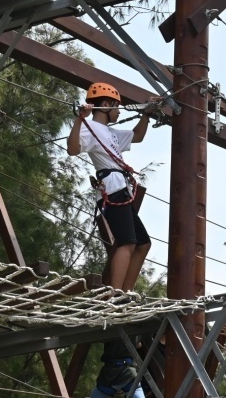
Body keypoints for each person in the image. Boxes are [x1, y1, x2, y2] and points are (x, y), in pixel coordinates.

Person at [66, 82, 159, 293]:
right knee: (127, 243)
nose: (119, 111)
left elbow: (138, 136)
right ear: (106, 105)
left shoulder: (112, 133)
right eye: (117, 107)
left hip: (121, 188)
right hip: (112, 189)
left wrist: (146, 114)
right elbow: (72, 149)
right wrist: (79, 120)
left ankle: (125, 292)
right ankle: (115, 295)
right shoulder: (89, 129)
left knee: (143, 243)